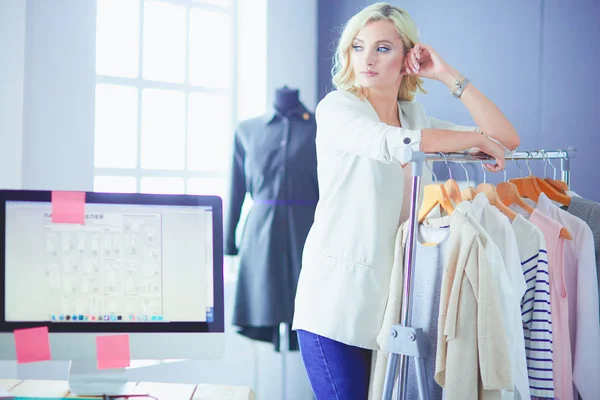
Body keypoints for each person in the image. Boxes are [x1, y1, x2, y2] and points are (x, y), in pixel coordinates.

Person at [291, 2, 520, 399]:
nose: (367, 59)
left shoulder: (413, 116)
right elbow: (392, 144)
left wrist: (447, 75)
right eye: (358, 47)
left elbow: (506, 140)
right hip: (335, 307)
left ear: (408, 57)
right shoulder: (337, 109)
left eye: (383, 48)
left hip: (396, 307)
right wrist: (475, 140)